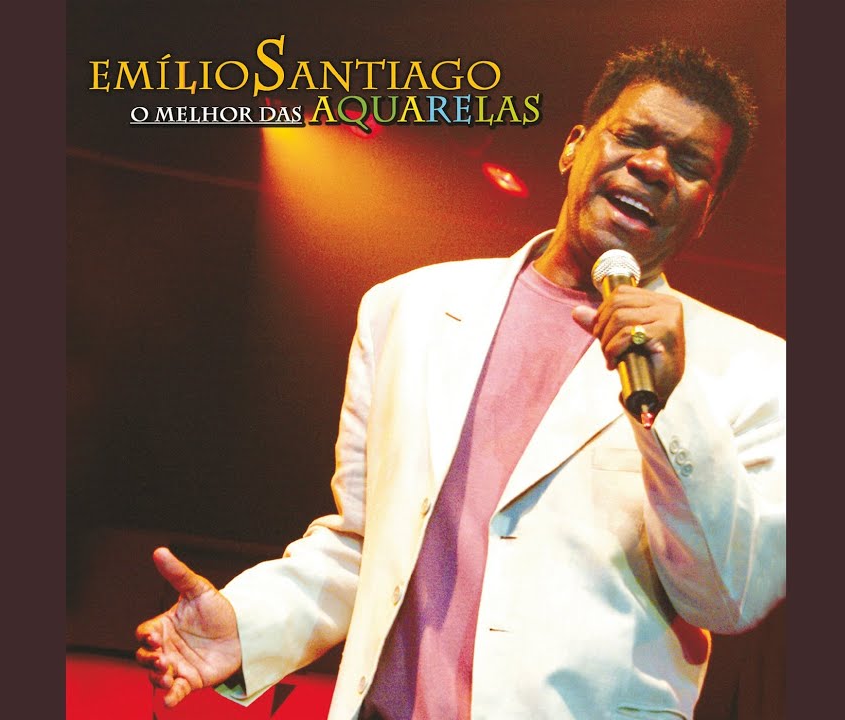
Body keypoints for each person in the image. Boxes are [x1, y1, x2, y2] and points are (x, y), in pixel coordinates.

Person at [135, 41, 785, 720]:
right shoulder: (408, 308)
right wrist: (245, 625)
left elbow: (725, 599)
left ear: (708, 209)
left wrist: (675, 405)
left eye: (689, 164)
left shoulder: (756, 370)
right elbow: (365, 544)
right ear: (573, 146)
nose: (653, 166)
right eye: (633, 136)